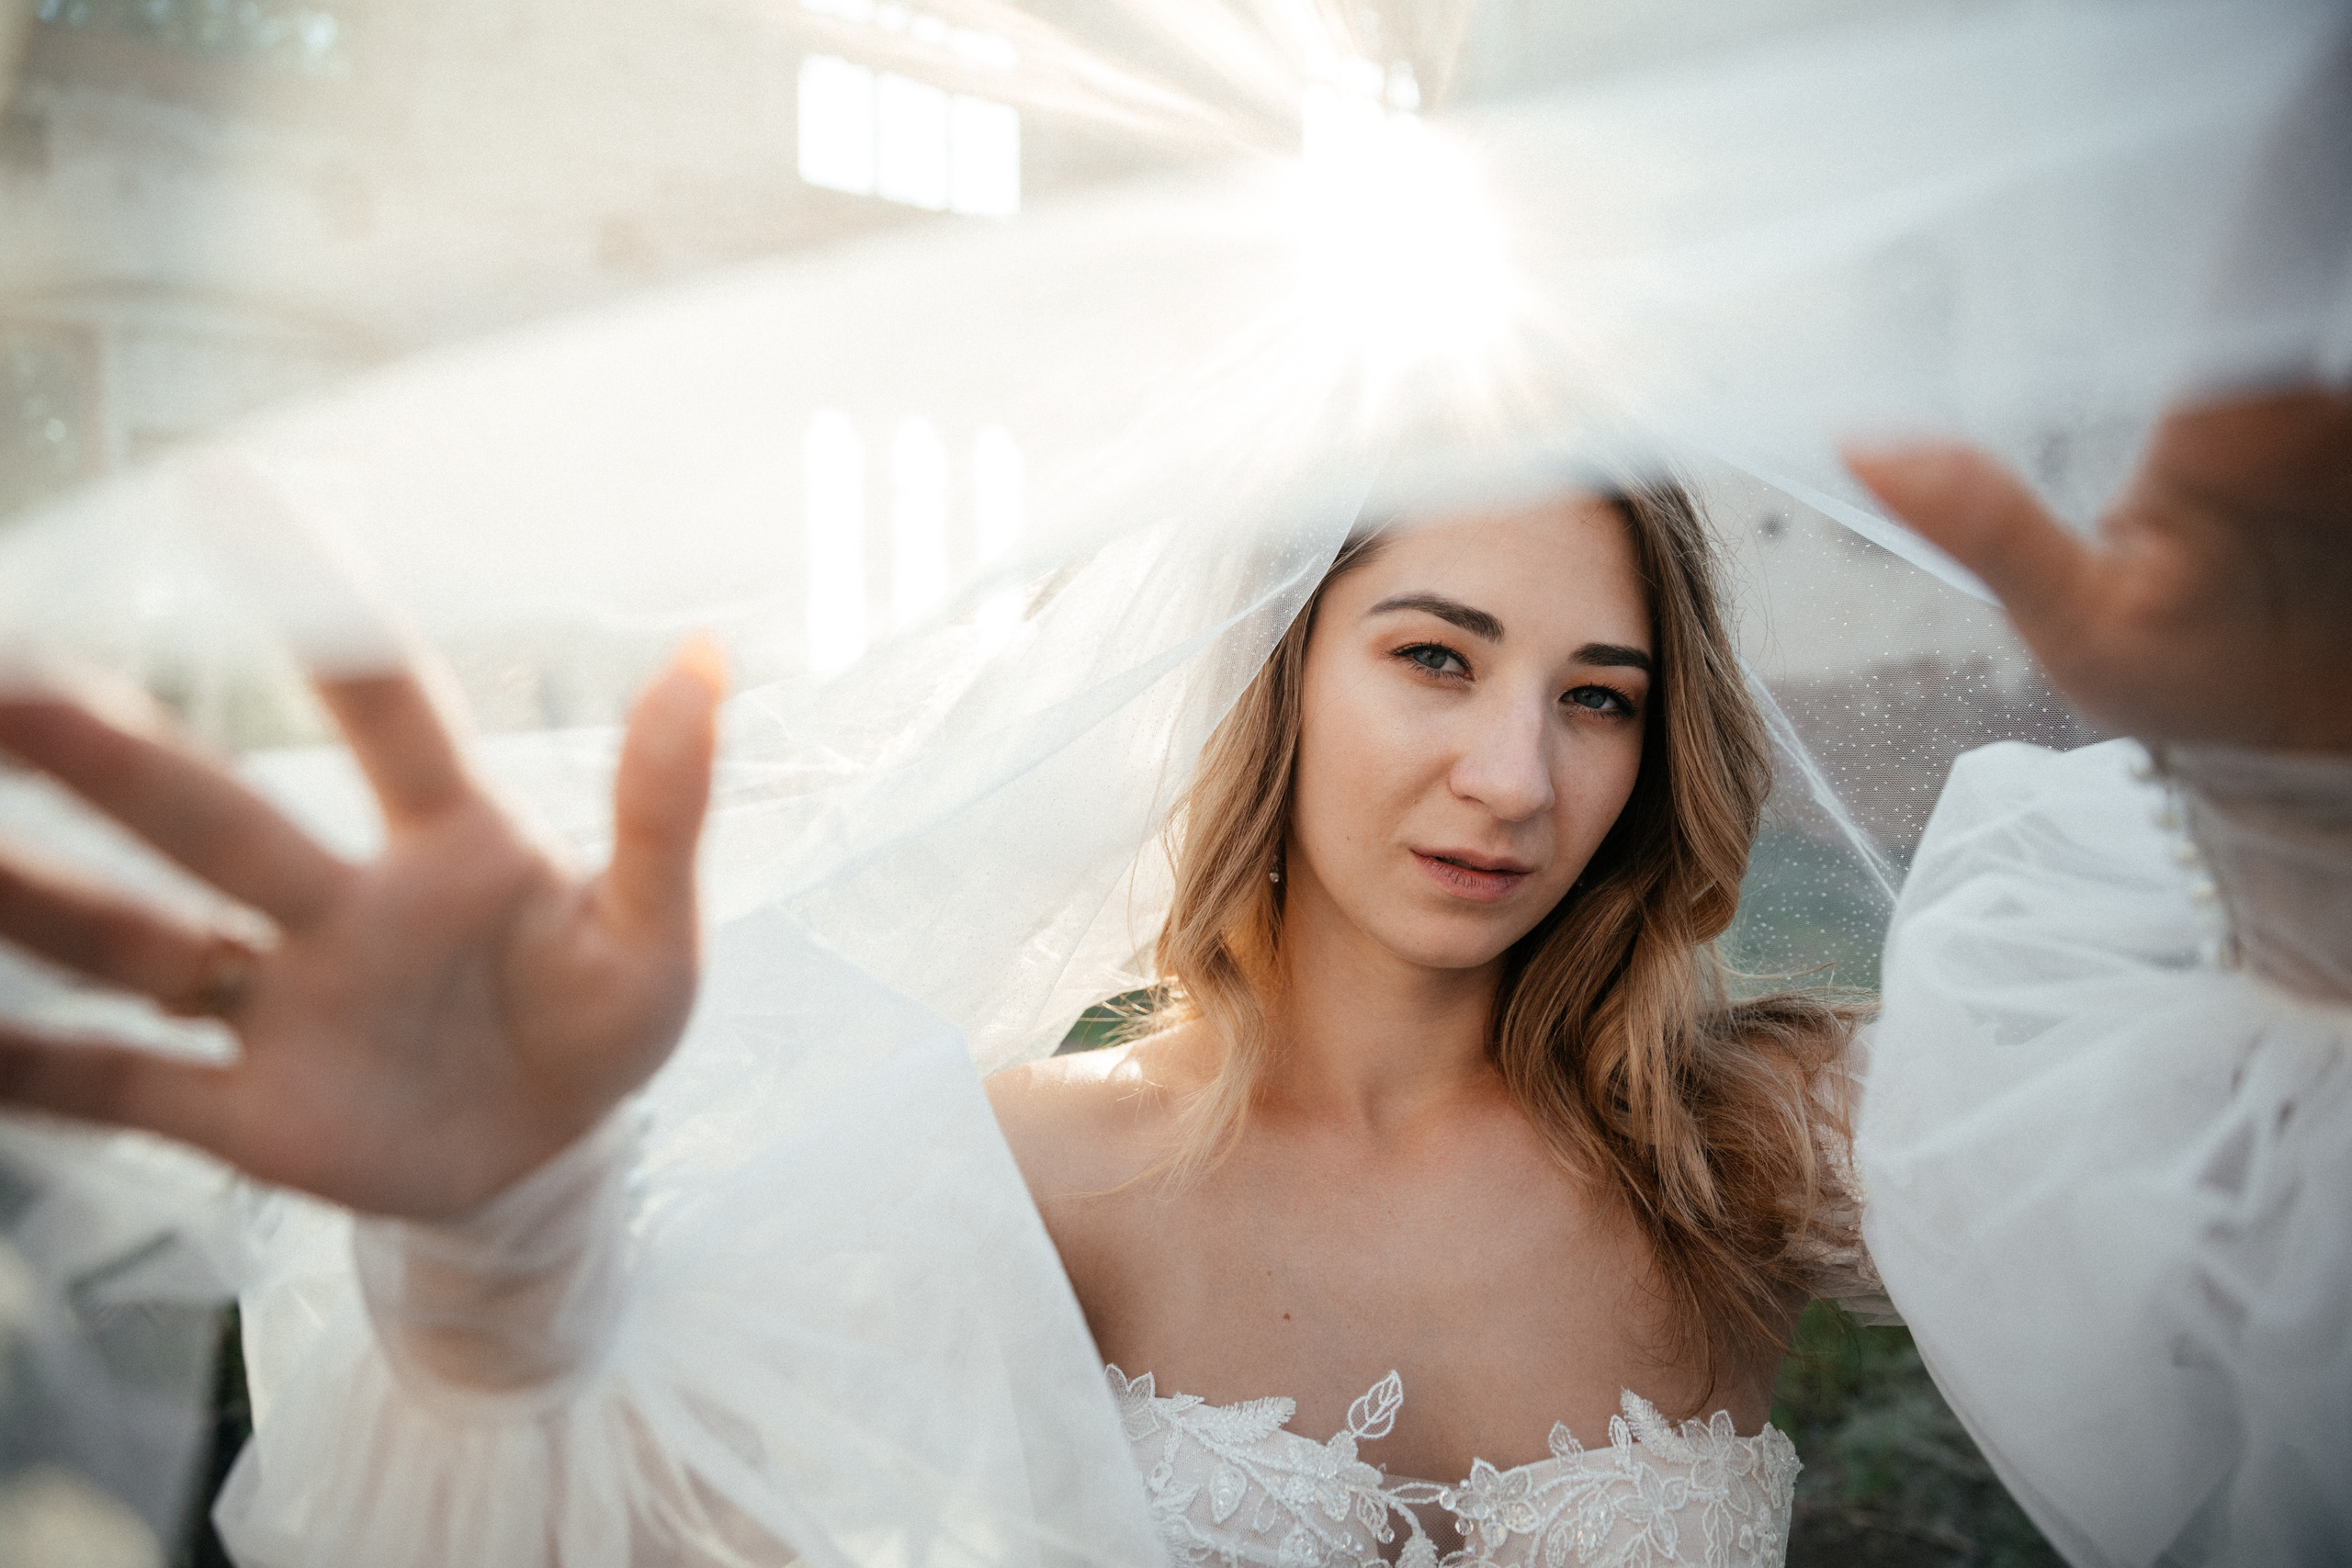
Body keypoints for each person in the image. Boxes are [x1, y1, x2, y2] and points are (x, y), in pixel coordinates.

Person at [0, 376, 2343, 1567]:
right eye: (1433, 654)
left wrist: (2292, 811)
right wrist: (488, 1234)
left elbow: (2263, 1245)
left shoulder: (1747, 1140)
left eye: (1597, 693)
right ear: (1274, 677)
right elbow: (602, 1504)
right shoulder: (998, 1170)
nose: (1515, 771)